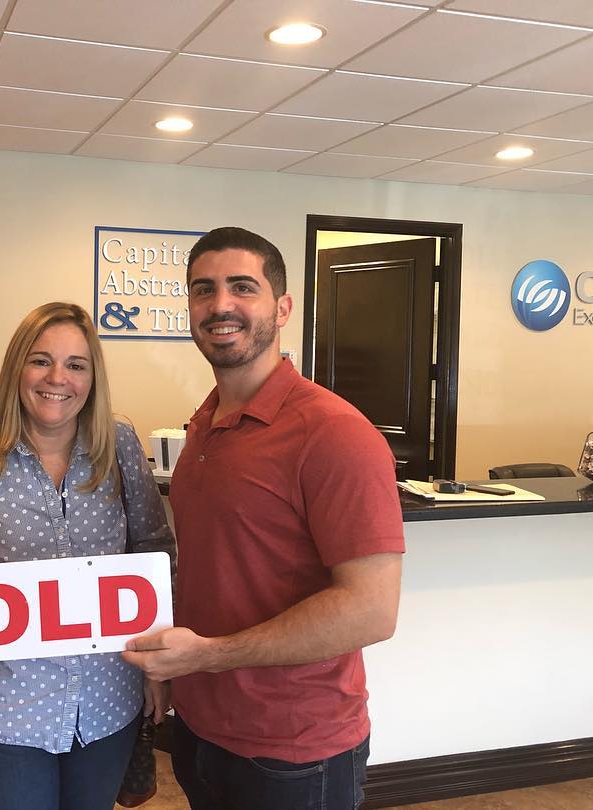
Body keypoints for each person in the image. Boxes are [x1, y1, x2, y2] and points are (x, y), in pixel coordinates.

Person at [122, 227, 405, 810]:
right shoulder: (202, 424)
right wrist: (174, 665)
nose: (221, 305)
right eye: (204, 290)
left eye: (242, 287)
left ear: (281, 307)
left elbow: (371, 610)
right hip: (203, 730)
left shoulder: (335, 434)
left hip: (294, 754)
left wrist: (207, 655)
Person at [0, 301, 175, 810]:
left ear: (92, 377)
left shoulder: (119, 444)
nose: (57, 378)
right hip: (0, 706)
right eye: (41, 360)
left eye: (76, 365)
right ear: (17, 365)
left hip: (107, 701)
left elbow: (152, 550)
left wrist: (156, 668)